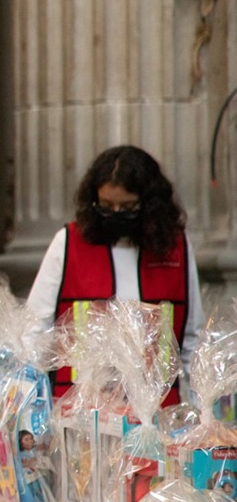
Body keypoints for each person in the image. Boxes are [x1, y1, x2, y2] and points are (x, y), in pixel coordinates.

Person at [27, 145, 202, 404]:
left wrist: (203, 411)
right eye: (107, 207)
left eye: (129, 207)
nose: (117, 215)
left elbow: (192, 338)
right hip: (82, 413)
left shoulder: (176, 249)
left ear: (150, 205)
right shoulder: (68, 243)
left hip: (157, 411)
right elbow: (35, 330)